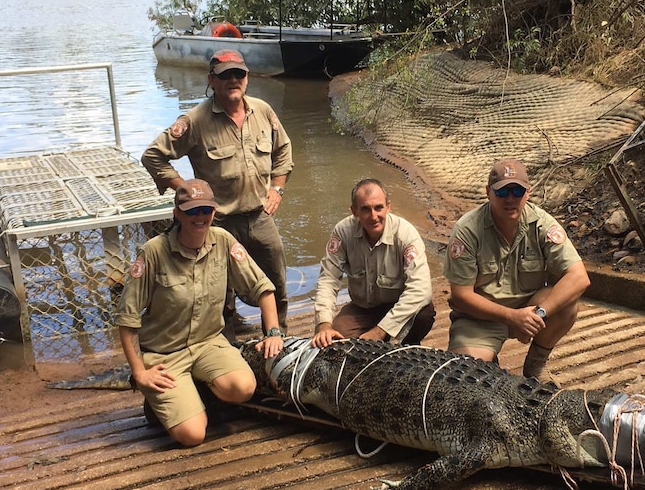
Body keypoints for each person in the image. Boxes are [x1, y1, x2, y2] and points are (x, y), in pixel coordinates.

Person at [115, 179, 285, 447]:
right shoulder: (153, 252)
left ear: (214, 212)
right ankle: (162, 402)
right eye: (192, 211)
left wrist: (273, 332)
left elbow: (263, 287)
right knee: (193, 435)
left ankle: (198, 392)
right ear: (177, 213)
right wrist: (140, 373)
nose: (200, 217)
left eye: (206, 210)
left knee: (243, 387)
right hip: (164, 354)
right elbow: (127, 318)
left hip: (208, 344)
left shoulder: (223, 240)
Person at [141, 49, 293, 342]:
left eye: (239, 74)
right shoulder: (195, 120)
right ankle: (227, 349)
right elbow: (153, 156)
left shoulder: (263, 111)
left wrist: (277, 187)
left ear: (247, 78)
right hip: (218, 221)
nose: (233, 80)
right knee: (221, 292)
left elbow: (283, 150)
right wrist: (186, 191)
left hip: (260, 217)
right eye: (225, 75)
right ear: (212, 80)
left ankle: (279, 342)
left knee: (275, 283)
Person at [443, 159, 590, 385]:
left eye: (517, 191)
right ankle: (487, 360)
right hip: (480, 318)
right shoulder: (467, 230)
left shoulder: (541, 224)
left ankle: (536, 363)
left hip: (529, 310)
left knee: (567, 300)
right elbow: (462, 296)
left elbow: (579, 277)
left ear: (528, 193)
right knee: (464, 381)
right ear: (488, 193)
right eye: (502, 192)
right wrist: (512, 317)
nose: (510, 199)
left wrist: (537, 315)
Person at [312, 178, 436, 348]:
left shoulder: (406, 235)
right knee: (336, 338)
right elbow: (328, 279)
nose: (373, 216)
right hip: (363, 308)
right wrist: (323, 324)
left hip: (398, 304)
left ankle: (408, 344)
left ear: (388, 207)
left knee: (423, 313)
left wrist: (379, 331)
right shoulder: (342, 232)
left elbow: (421, 290)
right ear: (354, 211)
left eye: (378, 208)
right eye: (365, 209)